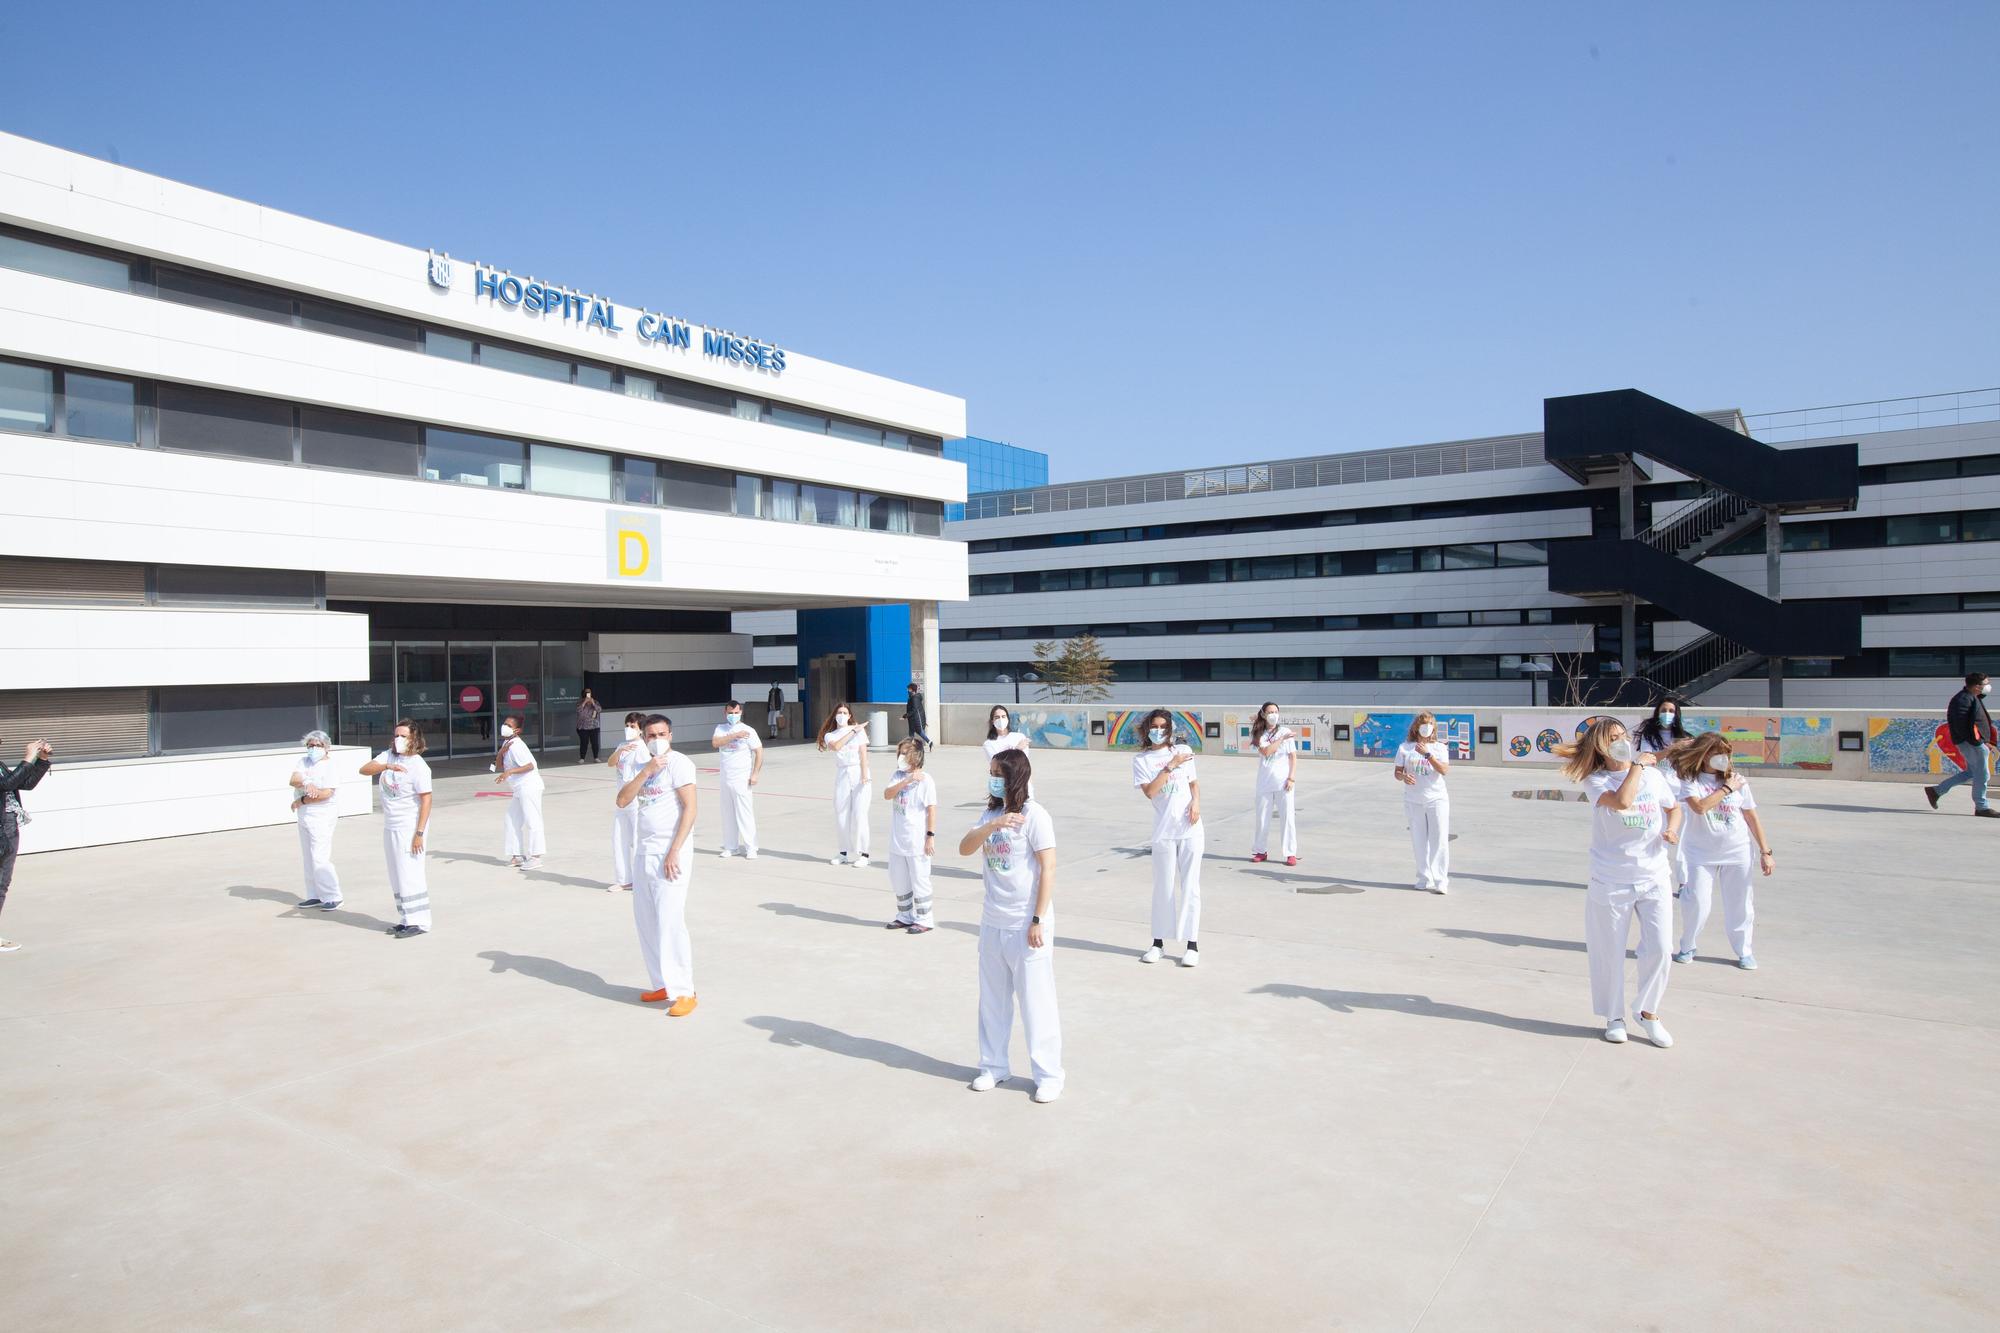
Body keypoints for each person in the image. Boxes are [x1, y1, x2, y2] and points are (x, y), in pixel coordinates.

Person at [1558, 717, 1682, 1047]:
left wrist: (1673, 829)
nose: (1622, 741)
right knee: (1608, 952)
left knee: (1660, 949)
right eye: (1613, 738)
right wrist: (1638, 767)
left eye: (1623, 735)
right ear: (1601, 746)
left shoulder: (1654, 777)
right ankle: (1614, 1016)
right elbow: (1624, 801)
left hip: (1654, 874)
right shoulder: (1596, 780)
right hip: (1611, 878)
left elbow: (1674, 807)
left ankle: (1648, 1012)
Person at [959, 747, 1062, 1103]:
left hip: (1026, 923)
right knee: (992, 1000)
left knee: (1036, 1001)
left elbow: (1048, 868)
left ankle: (1048, 1075)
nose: (993, 780)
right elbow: (964, 848)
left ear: (1015, 777)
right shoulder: (991, 814)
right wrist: (992, 824)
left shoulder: (1036, 816)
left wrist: (1037, 919)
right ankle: (993, 1066)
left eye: (998, 774)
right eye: (991, 773)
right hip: (992, 921)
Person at [615, 714, 699, 1016]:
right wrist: (646, 770)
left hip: (670, 851)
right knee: (646, 920)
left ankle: (685, 990)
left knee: (670, 920)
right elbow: (622, 800)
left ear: (671, 735)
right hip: (645, 852)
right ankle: (663, 983)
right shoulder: (641, 764)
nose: (656, 739)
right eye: (651, 735)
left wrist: (675, 850)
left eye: (662, 733)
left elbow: (690, 808)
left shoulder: (680, 764)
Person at [1668, 732, 1773, 970]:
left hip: (1737, 852)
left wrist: (1766, 851)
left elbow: (1750, 815)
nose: (1723, 758)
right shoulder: (1690, 780)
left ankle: (1744, 950)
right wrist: (1727, 789)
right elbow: (1699, 807)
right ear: (1704, 755)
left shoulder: (1738, 781)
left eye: (1726, 754)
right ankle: (1688, 945)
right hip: (1700, 854)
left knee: (1741, 904)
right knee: (1697, 902)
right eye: (1717, 754)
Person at [1132, 707, 1202, 967]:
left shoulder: (1183, 752)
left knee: (1190, 886)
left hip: (1190, 829)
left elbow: (1193, 783)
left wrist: (1196, 803)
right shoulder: (1141, 760)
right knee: (1163, 887)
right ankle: (1158, 943)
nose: (1158, 731)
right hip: (1163, 830)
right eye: (1154, 726)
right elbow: (1150, 791)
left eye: (1163, 727)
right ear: (1147, 729)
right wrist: (1169, 767)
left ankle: (1192, 944)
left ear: (1170, 729)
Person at [359, 720, 433, 937]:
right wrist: (386, 766)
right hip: (390, 825)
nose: (398, 739)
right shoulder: (389, 756)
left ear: (414, 739)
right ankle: (405, 917)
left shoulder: (419, 766)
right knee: (396, 873)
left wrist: (419, 833)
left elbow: (426, 801)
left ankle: (419, 921)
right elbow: (364, 769)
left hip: (409, 826)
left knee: (410, 872)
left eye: (403, 736)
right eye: (396, 735)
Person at [0, 737, 53, 953]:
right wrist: (28, 757)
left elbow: (23, 783)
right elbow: (6, 784)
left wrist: (40, 760)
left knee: (2, 882)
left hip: (8, 826)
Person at [881, 737, 937, 932]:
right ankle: (905, 915)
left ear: (916, 756)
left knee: (919, 879)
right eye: (900, 753)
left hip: (916, 842)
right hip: (898, 840)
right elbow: (887, 794)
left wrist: (930, 836)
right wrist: (906, 781)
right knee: (898, 878)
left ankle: (924, 918)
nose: (902, 757)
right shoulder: (897, 776)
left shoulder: (926, 780)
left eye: (906, 753)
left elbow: (931, 810)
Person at [1635, 695, 1692, 889]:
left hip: (1680, 793)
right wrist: (1671, 749)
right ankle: (1655, 876)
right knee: (1658, 835)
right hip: (1658, 792)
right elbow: (1650, 758)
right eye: (1663, 710)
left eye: (1671, 711)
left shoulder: (1684, 737)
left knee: (1679, 838)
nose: (1667, 714)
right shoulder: (1649, 736)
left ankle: (1684, 881)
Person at [1393, 712, 1451, 894]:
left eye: (1430, 724)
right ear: (1416, 727)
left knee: (1439, 839)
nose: (1427, 727)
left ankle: (1441, 880)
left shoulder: (1440, 747)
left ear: (1434, 727)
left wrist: (1428, 755)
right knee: (1419, 840)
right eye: (1423, 724)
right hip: (1413, 800)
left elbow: (1443, 770)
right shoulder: (1405, 747)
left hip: (1437, 799)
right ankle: (1424, 878)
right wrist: (1404, 777)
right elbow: (1397, 772)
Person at [1926, 672, 1996, 817]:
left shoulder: (1971, 697)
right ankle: (1982, 807)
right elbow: (1961, 725)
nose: (1988, 687)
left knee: (1971, 773)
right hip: (1971, 743)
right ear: (1977, 687)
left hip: (1973, 742)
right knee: (1982, 775)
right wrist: (1977, 742)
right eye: (1986, 684)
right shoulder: (1963, 699)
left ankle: (1936, 791)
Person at [290, 730, 343, 911]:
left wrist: (302, 800)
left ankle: (333, 896)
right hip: (304, 815)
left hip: (322, 814)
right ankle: (314, 895)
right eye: (310, 745)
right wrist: (306, 783)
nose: (313, 748)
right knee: (308, 856)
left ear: (326, 747)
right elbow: (294, 779)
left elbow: (326, 794)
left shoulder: (330, 766)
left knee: (320, 856)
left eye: (318, 745)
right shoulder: (303, 762)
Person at [818, 702, 871, 865]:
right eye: (839, 712)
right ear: (835, 715)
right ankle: (843, 852)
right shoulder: (831, 735)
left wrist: (864, 774)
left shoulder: (859, 731)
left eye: (844, 712)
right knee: (841, 813)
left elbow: (863, 753)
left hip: (858, 772)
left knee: (860, 814)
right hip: (842, 773)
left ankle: (864, 854)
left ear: (849, 716)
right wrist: (853, 730)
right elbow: (836, 746)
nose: (841, 715)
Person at [711, 701, 763, 858]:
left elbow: (759, 752)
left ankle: (751, 847)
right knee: (728, 813)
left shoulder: (748, 730)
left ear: (741, 712)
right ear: (725, 713)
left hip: (742, 777)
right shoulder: (721, 728)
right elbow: (715, 743)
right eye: (730, 713)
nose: (733, 716)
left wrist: (755, 774)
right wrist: (734, 735)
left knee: (744, 813)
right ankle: (731, 847)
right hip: (725, 777)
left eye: (735, 713)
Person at [1248, 701, 1298, 865]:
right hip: (1265, 782)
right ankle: (1260, 851)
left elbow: (1292, 756)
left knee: (1287, 818)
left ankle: (1290, 853)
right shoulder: (1258, 733)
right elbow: (1266, 751)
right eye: (1270, 712)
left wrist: (1291, 777)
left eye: (1276, 711)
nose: (1273, 715)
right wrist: (1282, 739)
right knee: (1262, 818)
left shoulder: (1285, 731)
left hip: (1284, 782)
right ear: (1263, 714)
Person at [493, 715, 544, 870]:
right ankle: (517, 856)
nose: (504, 726)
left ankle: (535, 857)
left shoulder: (517, 746)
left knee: (532, 820)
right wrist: (501, 752)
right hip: (518, 789)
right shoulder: (507, 743)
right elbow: (498, 765)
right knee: (511, 819)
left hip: (529, 786)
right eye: (504, 723)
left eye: (508, 725)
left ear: (517, 730)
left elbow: (530, 766)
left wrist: (510, 772)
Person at [605, 711, 646, 892]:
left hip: (636, 800)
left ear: (641, 730)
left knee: (638, 841)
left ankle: (641, 879)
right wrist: (620, 751)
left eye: (633, 726)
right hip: (622, 801)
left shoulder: (642, 748)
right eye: (627, 725)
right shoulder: (623, 745)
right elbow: (610, 762)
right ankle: (624, 880)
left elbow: (646, 774)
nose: (629, 729)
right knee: (618, 838)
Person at [574, 689, 603, 764]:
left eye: (589, 692)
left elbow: (599, 710)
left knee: (595, 742)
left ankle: (596, 757)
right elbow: (579, 711)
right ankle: (582, 758)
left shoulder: (595, 702)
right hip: (583, 727)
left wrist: (593, 703)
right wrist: (584, 702)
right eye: (586, 692)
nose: (588, 693)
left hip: (594, 726)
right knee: (584, 742)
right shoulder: (579, 702)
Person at [905, 679, 931, 749]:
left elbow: (914, 710)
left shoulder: (915, 698)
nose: (908, 691)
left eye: (909, 689)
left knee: (915, 732)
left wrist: (905, 716)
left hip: (915, 719)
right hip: (914, 718)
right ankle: (929, 742)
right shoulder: (913, 697)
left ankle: (911, 747)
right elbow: (919, 709)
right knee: (915, 732)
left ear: (913, 690)